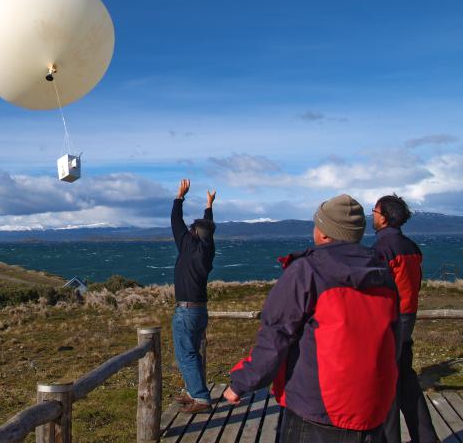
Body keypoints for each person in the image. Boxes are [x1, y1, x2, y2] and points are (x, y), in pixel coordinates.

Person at [224, 194, 399, 442]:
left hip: (318, 407)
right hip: (372, 406)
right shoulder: (382, 273)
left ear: (325, 233)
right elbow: (394, 337)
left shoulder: (307, 270)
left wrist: (241, 382)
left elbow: (276, 336)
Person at [372, 194, 439, 443]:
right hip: (407, 318)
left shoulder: (382, 249)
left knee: (386, 383)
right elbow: (416, 283)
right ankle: (426, 437)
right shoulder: (412, 247)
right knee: (406, 380)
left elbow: (377, 289)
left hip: (390, 321)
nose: (373, 216)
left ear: (385, 217)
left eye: (375, 211)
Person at [170, 179, 216, 414]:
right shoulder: (207, 251)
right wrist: (209, 206)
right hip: (200, 310)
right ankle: (193, 391)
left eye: (191, 230)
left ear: (193, 234)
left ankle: (200, 398)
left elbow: (175, 221)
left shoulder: (187, 244)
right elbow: (206, 228)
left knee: (186, 353)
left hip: (186, 310)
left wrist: (180, 197)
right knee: (192, 352)